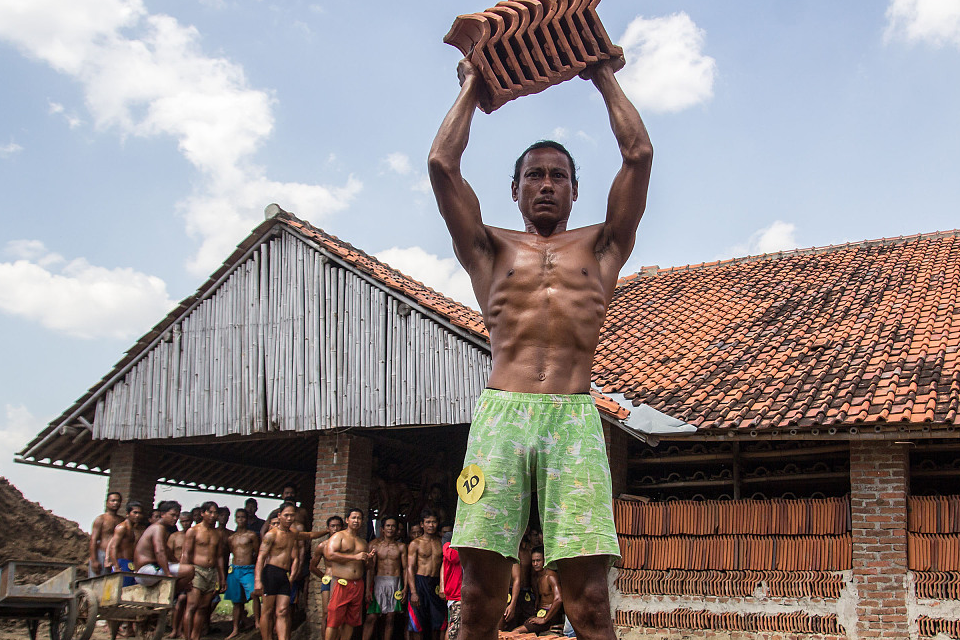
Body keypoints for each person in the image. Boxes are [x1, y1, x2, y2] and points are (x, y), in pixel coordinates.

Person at [428, 48, 652, 640]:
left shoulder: (602, 247)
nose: (546, 184)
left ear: (576, 191)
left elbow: (638, 154)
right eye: (534, 175)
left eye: (558, 176)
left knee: (591, 603)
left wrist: (602, 76)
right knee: (478, 597)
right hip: (500, 419)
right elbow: (442, 164)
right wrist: (472, 85)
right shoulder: (488, 248)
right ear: (515, 189)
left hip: (573, 419)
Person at [255, 504, 325, 640]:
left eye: (292, 515)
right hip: (270, 573)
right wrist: (258, 580)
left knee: (282, 610)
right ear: (279, 516)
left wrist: (327, 531)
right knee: (268, 611)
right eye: (286, 515)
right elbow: (261, 557)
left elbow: (310, 535)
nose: (289, 518)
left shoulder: (293, 533)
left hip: (283, 574)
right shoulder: (271, 535)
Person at [324, 509, 374, 640]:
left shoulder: (363, 542)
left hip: (358, 584)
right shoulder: (339, 536)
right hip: (341, 582)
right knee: (334, 621)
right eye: (354, 518)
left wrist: (369, 559)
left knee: (351, 620)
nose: (356, 521)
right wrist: (354, 557)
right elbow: (330, 555)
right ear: (347, 520)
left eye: (359, 518)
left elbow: (367, 567)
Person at [181, 501, 226, 640]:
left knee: (203, 607)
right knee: (192, 605)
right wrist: (185, 575)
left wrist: (222, 577)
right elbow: (186, 554)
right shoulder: (193, 531)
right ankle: (187, 637)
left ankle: (195, 637)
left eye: (215, 513)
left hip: (211, 572)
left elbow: (219, 557)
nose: (213, 515)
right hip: (196, 570)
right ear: (202, 513)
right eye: (210, 512)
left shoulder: (217, 534)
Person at [362, 516, 408, 640]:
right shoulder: (375, 546)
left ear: (397, 529)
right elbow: (370, 569)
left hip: (395, 582)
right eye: (388, 526)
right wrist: (367, 590)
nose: (390, 528)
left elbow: (405, 568)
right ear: (382, 529)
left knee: (390, 617)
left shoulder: (401, 547)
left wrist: (405, 588)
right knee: (372, 616)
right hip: (379, 582)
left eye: (393, 526)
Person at [134, 501, 195, 590]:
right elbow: (159, 551)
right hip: (146, 571)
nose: (175, 518)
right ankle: (172, 592)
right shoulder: (158, 528)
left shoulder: (162, 529)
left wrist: (178, 564)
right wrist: (167, 574)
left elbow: (167, 551)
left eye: (177, 516)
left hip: (150, 570)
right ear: (162, 514)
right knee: (189, 570)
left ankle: (172, 590)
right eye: (172, 515)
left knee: (184, 570)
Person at [406, 510, 444, 640]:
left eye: (434, 522)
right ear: (422, 524)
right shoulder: (415, 543)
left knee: (437, 622)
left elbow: (444, 565)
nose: (431, 525)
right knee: (418, 623)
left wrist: (443, 586)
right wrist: (413, 592)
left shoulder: (441, 543)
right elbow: (410, 568)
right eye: (428, 522)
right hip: (420, 582)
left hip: (436, 583)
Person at [226, 508, 260, 640]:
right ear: (235, 519)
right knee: (236, 601)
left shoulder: (251, 535)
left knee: (254, 594)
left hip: (248, 569)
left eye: (243, 517)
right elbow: (231, 551)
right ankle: (235, 628)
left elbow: (257, 552)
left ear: (247, 519)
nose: (241, 519)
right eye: (238, 517)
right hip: (235, 569)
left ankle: (257, 622)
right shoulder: (231, 538)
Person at [512, 547, 562, 634]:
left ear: (544, 560)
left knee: (516, 632)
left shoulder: (551, 576)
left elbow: (559, 599)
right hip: (540, 612)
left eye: (538, 560)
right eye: (533, 561)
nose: (535, 564)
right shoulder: (536, 577)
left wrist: (545, 619)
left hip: (550, 615)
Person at [309, 515, 345, 628]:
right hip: (329, 580)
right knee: (326, 613)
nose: (335, 529)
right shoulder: (323, 546)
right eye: (332, 526)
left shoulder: (346, 546)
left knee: (340, 614)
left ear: (342, 527)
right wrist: (324, 576)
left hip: (343, 580)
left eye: (338, 526)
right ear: (328, 528)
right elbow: (312, 567)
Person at [167, 511, 194, 639]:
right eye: (183, 521)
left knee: (185, 600)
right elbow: (168, 553)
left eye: (187, 521)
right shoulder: (174, 537)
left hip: (190, 572)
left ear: (191, 521)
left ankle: (182, 629)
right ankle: (175, 629)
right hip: (176, 570)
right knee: (176, 601)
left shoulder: (195, 535)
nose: (185, 524)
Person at [105, 501, 144, 585]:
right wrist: (116, 566)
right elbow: (113, 547)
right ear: (127, 514)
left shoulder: (136, 529)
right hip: (122, 563)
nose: (137, 515)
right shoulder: (122, 527)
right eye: (135, 513)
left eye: (139, 513)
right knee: (121, 588)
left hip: (131, 563)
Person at [89, 491, 123, 577]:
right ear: (107, 502)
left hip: (116, 556)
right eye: (113, 500)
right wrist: (94, 560)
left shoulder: (122, 520)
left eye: (118, 501)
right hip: (102, 554)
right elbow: (93, 540)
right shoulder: (101, 519)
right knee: (97, 581)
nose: (115, 503)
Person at [440, 531, 462, 640]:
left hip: (464, 593)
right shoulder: (448, 541)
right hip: (456, 594)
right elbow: (454, 557)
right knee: (454, 629)